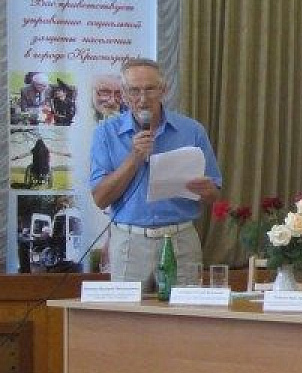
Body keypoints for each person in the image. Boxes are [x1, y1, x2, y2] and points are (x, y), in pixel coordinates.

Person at [89, 57, 222, 288]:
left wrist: (206, 189)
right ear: (124, 94)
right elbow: (100, 199)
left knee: (184, 310)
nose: (143, 98)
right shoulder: (106, 133)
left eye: (150, 89)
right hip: (129, 242)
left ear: (163, 90)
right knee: (127, 311)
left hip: (180, 240)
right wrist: (135, 156)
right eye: (134, 90)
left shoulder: (192, 131)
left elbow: (213, 195)